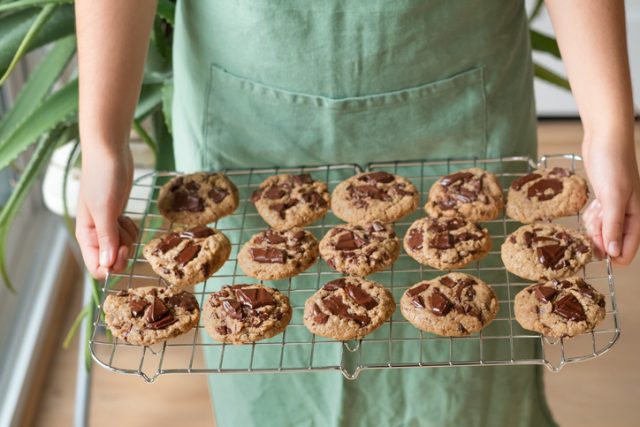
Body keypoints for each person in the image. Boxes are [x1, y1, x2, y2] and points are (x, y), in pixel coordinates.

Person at [74, 1, 639, 426]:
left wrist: (609, 128)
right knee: (271, 372)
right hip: (251, 100)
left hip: (456, 86)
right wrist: (102, 141)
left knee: (465, 381)